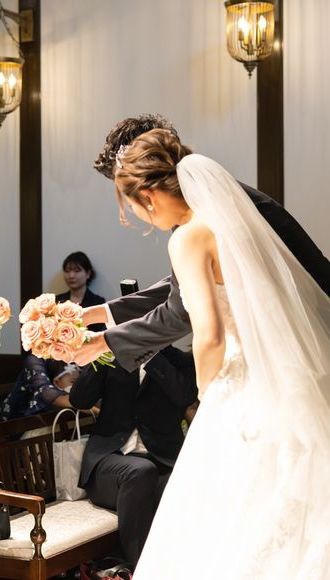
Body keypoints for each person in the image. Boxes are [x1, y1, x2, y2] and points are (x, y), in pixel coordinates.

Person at [111, 129, 330, 577]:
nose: (136, 216)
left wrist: (205, 396)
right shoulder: (239, 226)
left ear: (148, 196)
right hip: (285, 380)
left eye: (131, 207)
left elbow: (209, 334)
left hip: (240, 386)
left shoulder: (188, 237)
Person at [74, 114, 330, 371]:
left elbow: (180, 311)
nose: (133, 203)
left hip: (304, 331)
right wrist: (97, 313)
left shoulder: (204, 219)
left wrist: (103, 342)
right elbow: (187, 287)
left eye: (129, 187)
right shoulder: (209, 203)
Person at [69, 346, 197, 566]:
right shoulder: (112, 354)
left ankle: (177, 568)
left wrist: (151, 354)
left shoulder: (180, 361)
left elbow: (184, 396)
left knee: (182, 486)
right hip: (110, 461)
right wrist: (102, 351)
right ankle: (139, 569)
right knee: (140, 472)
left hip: (162, 461)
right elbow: (79, 400)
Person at [0, 355, 97, 420]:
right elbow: (46, 394)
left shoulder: (75, 352)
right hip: (26, 422)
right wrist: (97, 411)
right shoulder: (34, 359)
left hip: (68, 417)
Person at [56, 251, 105, 331]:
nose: (71, 276)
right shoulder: (57, 300)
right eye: (67, 271)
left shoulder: (98, 303)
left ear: (88, 273)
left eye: (77, 271)